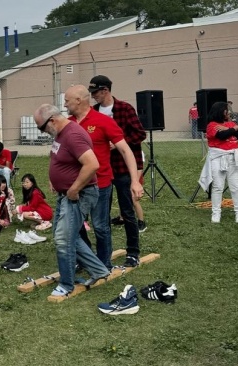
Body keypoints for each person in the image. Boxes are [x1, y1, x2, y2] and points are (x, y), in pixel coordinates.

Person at [34, 104, 110, 296]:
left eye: (41, 128)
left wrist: (74, 188)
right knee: (69, 236)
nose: (42, 132)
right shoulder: (60, 133)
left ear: (52, 120)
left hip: (78, 194)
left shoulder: (73, 134)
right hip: (66, 194)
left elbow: (92, 164)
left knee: (63, 239)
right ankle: (99, 270)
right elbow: (61, 158)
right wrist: (56, 179)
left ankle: (66, 284)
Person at [65, 85, 143, 269]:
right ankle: (85, 258)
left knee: (100, 226)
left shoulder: (102, 121)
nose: (65, 103)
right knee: (76, 225)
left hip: (100, 183)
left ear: (79, 100)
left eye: (67, 100)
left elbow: (126, 150)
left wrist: (134, 180)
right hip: (76, 185)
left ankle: (104, 263)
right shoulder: (68, 123)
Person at [89, 75, 147, 266]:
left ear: (105, 90)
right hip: (103, 169)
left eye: (95, 92)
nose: (93, 96)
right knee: (101, 214)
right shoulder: (93, 112)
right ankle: (104, 253)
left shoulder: (124, 108)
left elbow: (140, 134)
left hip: (122, 167)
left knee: (127, 211)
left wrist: (118, 142)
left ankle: (133, 252)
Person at [201, 101, 238, 223]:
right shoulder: (211, 125)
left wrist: (233, 128)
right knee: (218, 186)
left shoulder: (230, 123)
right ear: (219, 111)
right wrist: (233, 129)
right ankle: (216, 213)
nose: (228, 112)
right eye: (225, 110)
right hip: (218, 158)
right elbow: (222, 136)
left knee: (236, 187)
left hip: (233, 158)